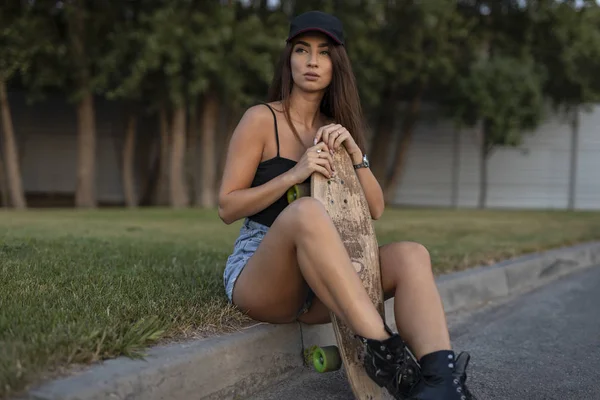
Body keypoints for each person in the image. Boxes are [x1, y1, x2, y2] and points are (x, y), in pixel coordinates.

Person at [218, 10, 476, 400]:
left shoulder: (336, 128)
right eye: (302, 50)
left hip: (324, 280)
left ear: (336, 65)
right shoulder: (261, 119)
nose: (312, 61)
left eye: (323, 52)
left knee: (411, 255)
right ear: (289, 59)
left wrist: (355, 153)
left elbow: (375, 209)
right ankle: (386, 353)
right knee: (305, 212)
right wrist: (293, 174)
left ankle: (441, 383)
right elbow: (227, 206)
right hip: (263, 276)